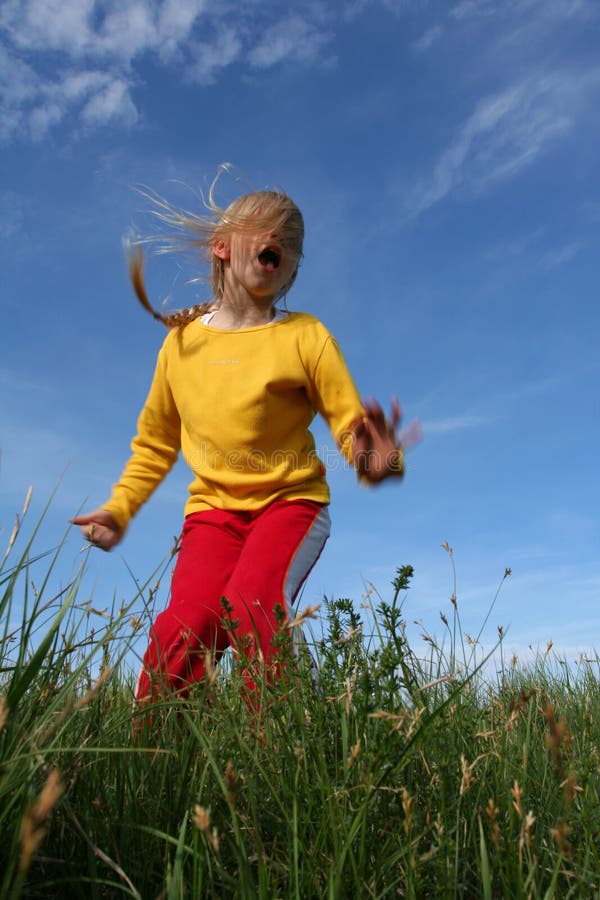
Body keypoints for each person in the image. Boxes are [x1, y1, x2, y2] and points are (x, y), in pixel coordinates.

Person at [72, 176, 418, 704]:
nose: (283, 240)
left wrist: (376, 458)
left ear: (290, 267)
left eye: (293, 240)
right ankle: (158, 757)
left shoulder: (305, 336)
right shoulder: (181, 344)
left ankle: (284, 746)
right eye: (268, 228)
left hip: (291, 503)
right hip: (213, 513)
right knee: (185, 625)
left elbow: (352, 429)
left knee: (254, 603)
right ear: (222, 245)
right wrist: (119, 508)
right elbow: (156, 444)